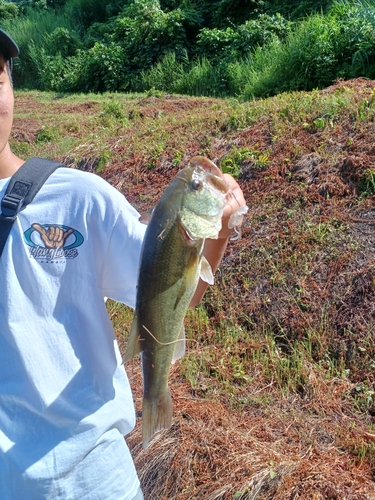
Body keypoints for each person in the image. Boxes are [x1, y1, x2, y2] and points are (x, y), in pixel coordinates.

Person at [0, 29, 246, 500]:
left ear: (12, 86)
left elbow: (171, 292)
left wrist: (218, 231)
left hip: (98, 481)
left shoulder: (80, 197)